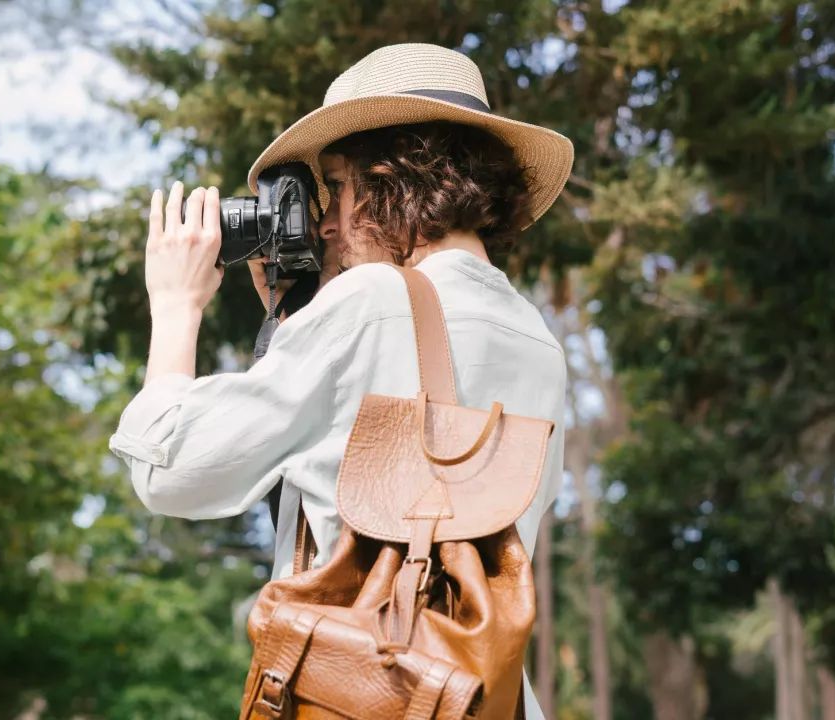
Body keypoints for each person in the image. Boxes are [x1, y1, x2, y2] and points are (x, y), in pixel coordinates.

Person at [108, 43, 572, 719]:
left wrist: (177, 308)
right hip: (485, 699)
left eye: (340, 187)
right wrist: (293, 322)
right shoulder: (539, 340)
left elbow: (171, 472)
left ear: (396, 179)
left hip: (368, 692)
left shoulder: (370, 304)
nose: (326, 221)